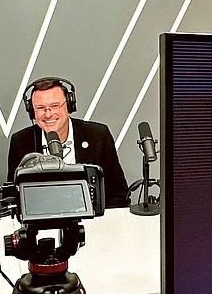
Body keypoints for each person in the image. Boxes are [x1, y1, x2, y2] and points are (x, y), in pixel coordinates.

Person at [7, 76, 130, 208]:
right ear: (32, 111)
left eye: (54, 106)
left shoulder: (98, 135)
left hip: (92, 220)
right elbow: (12, 196)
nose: (48, 114)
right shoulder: (20, 142)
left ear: (69, 105)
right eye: (41, 108)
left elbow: (119, 192)